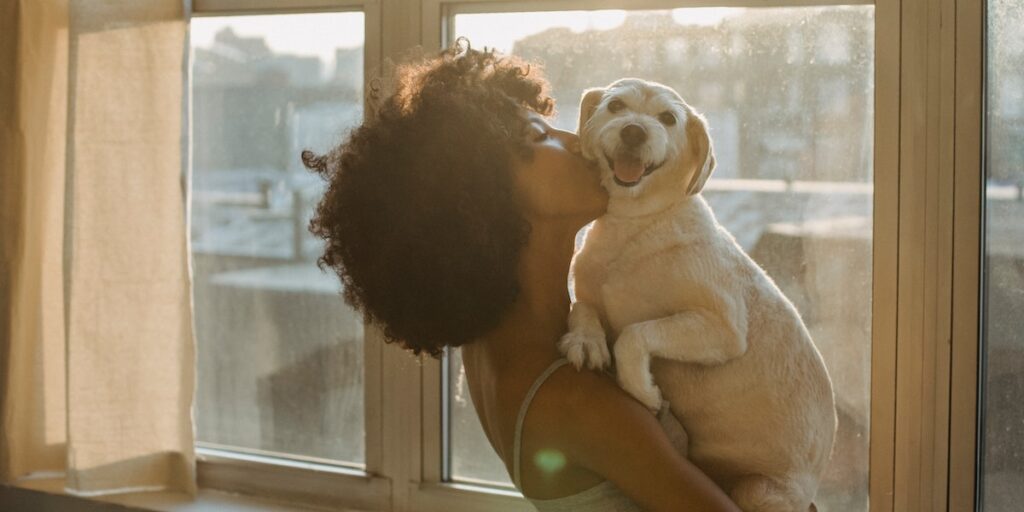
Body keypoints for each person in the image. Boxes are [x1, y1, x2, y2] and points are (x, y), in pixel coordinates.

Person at [303, 43, 742, 512]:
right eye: (540, 138)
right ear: (485, 197)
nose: (575, 140)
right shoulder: (577, 401)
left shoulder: (493, 348)